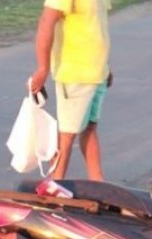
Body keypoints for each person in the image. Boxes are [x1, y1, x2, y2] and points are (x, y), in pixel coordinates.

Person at [30, 0, 111, 181]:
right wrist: (42, 68)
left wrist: (106, 66)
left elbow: (97, 27)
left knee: (89, 127)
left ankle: (99, 183)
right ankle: (54, 188)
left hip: (97, 74)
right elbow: (46, 21)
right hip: (75, 74)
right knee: (66, 136)